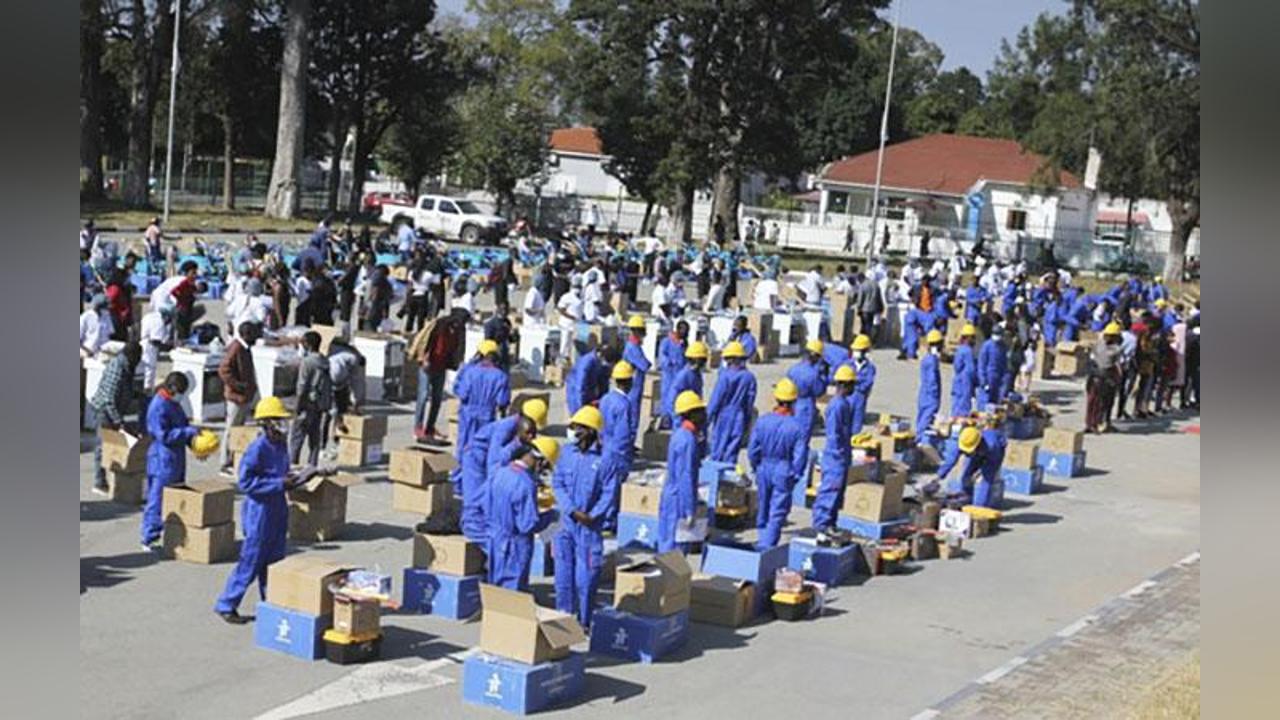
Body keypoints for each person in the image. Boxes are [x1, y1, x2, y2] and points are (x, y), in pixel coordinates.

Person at [213, 397, 295, 624]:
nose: (283, 425)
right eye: (278, 421)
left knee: (275, 560)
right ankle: (227, 603)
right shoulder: (257, 448)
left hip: (277, 508)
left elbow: (282, 472)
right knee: (251, 561)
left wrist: (295, 479)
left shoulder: (280, 444)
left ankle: (271, 601)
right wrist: (279, 484)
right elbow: (246, 483)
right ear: (266, 423)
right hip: (260, 511)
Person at [553, 407, 613, 628]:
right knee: (562, 577)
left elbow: (609, 492)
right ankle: (564, 619)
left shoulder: (605, 459)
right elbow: (557, 483)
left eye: (578, 427)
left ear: (590, 431)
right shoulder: (566, 453)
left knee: (586, 578)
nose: (573, 431)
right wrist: (571, 510)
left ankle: (584, 622)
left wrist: (593, 515)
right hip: (566, 525)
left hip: (589, 528)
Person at [460, 401, 545, 545]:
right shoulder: (504, 429)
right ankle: (474, 525)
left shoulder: (520, 429)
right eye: (530, 432)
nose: (533, 437)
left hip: (490, 458)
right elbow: (494, 464)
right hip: (476, 459)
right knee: (477, 498)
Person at [487, 438, 558, 591]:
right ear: (539, 461)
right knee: (513, 590)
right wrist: (551, 516)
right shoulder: (526, 484)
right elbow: (527, 525)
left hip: (496, 538)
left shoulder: (501, 472)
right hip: (516, 545)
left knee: (496, 588)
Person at [140, 372, 200, 550]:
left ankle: (173, 534)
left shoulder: (174, 404)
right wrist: (188, 433)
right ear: (172, 388)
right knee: (157, 499)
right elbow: (163, 435)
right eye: (181, 391)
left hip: (174, 457)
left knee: (176, 496)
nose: (182, 395)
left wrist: (194, 443)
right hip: (162, 459)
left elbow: (181, 426)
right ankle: (148, 536)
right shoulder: (159, 406)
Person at [748, 379, 809, 549]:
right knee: (777, 511)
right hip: (783, 468)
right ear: (794, 402)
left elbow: (753, 449)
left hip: (764, 467)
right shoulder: (796, 427)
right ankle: (767, 546)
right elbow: (800, 456)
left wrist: (755, 466)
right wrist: (796, 475)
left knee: (763, 506)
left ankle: (762, 538)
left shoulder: (763, 421)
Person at [86, 343, 144, 494]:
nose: (139, 360)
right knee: (102, 445)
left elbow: (125, 389)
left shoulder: (128, 366)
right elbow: (108, 399)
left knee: (113, 445)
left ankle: (114, 480)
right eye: (138, 357)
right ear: (132, 356)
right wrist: (118, 422)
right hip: (104, 411)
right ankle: (99, 482)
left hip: (114, 410)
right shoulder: (117, 368)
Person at [657, 391, 708, 554]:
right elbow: (686, 477)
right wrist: (689, 510)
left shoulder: (679, 434)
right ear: (691, 414)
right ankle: (671, 578)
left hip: (670, 494)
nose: (703, 415)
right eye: (699, 411)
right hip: (679, 498)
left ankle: (665, 575)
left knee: (666, 539)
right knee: (677, 547)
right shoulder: (688, 441)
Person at [410, 307, 467, 442]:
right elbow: (425, 340)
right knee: (423, 396)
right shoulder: (439, 325)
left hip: (441, 367)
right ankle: (418, 427)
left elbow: (459, 348)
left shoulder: (460, 331)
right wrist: (423, 357)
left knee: (437, 399)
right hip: (428, 364)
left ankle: (430, 428)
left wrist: (456, 362)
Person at [811, 365, 856, 536]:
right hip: (835, 456)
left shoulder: (843, 403)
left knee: (837, 494)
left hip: (841, 455)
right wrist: (839, 454)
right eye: (852, 384)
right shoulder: (837, 405)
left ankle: (830, 523)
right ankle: (821, 525)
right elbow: (833, 434)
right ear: (845, 385)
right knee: (830, 490)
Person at [454, 340, 511, 457]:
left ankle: (458, 472)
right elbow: (502, 401)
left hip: (467, 414)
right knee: (482, 447)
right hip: (487, 415)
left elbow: (462, 393)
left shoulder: (469, 372)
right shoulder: (501, 376)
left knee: (463, 445)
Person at [218, 322, 260, 475]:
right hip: (236, 397)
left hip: (244, 397)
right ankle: (224, 463)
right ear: (247, 335)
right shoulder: (236, 348)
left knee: (238, 430)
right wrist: (238, 385)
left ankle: (233, 459)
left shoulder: (245, 349)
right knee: (231, 429)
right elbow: (223, 369)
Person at [599, 362, 636, 530]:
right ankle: (608, 521)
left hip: (604, 447)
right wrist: (626, 456)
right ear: (629, 381)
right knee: (613, 489)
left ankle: (604, 517)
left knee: (604, 487)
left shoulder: (606, 399)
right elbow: (623, 435)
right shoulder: (624, 404)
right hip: (617, 453)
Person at [706, 341, 757, 463]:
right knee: (732, 448)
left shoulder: (724, 377)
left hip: (723, 415)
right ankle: (728, 474)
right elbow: (749, 401)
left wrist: (707, 419)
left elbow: (716, 399)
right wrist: (747, 418)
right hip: (739, 415)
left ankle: (714, 474)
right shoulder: (749, 377)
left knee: (718, 446)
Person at [937, 425, 1007, 509]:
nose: (966, 453)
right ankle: (966, 498)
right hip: (977, 449)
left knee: (985, 481)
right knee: (966, 475)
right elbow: (951, 459)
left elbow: (988, 472)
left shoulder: (992, 445)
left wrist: (976, 509)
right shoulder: (964, 439)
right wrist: (939, 476)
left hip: (994, 453)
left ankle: (978, 506)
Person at [290, 331, 333, 466]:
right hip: (319, 405)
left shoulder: (307, 362)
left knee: (297, 437)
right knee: (314, 437)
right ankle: (312, 465)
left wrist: (297, 407)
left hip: (307, 404)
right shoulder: (324, 360)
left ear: (307, 344)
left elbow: (302, 386)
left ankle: (293, 465)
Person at [1087, 322, 1123, 433]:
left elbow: (1092, 357)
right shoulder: (1116, 349)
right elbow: (1118, 364)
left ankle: (1091, 423)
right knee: (1103, 402)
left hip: (1094, 376)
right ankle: (1098, 423)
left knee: (1093, 401)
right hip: (1106, 377)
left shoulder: (1098, 344)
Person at [786, 340, 826, 437]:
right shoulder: (813, 374)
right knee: (802, 437)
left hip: (792, 403)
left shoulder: (793, 369)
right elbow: (819, 391)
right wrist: (824, 377)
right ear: (815, 356)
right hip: (806, 405)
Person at [622, 315, 652, 437]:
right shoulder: (632, 348)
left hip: (636, 385)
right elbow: (644, 364)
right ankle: (629, 441)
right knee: (632, 416)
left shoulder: (635, 346)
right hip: (633, 386)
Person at [657, 320, 690, 427]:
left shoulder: (684, 343)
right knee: (667, 397)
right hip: (669, 375)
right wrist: (669, 363)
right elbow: (662, 356)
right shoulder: (667, 341)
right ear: (678, 329)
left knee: (677, 398)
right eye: (684, 331)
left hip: (679, 376)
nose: (685, 334)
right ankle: (665, 418)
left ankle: (674, 419)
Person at [668, 341, 708, 427]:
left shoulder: (697, 375)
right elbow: (672, 399)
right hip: (683, 417)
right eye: (702, 359)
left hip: (692, 415)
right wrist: (677, 419)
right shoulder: (683, 376)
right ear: (695, 359)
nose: (703, 363)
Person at [565, 344, 609, 415]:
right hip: (576, 391)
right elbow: (580, 385)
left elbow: (603, 383)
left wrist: (602, 401)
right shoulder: (586, 362)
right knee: (579, 415)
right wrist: (580, 408)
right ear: (599, 353)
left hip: (589, 390)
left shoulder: (601, 363)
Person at [917, 330, 944, 438]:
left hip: (924, 394)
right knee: (926, 420)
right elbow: (932, 380)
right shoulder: (932, 360)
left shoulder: (927, 358)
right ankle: (920, 439)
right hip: (930, 396)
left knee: (922, 416)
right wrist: (935, 394)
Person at [138, 306, 172, 391]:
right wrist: (170, 346)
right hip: (150, 347)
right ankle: (147, 390)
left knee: (143, 368)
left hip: (142, 342)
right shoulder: (159, 322)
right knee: (150, 369)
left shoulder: (149, 316)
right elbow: (156, 341)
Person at [848, 334, 876, 435]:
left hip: (860, 398)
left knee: (856, 425)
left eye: (859, 350)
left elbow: (867, 383)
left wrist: (853, 380)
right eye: (855, 350)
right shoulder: (847, 364)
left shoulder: (870, 367)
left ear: (865, 351)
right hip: (847, 397)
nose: (856, 353)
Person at [977, 326, 1009, 408]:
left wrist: (1005, 381)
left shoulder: (1003, 347)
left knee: (995, 406)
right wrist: (983, 382)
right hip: (988, 378)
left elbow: (1004, 365)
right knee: (984, 405)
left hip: (998, 380)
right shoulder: (987, 346)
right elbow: (981, 365)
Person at [951, 323, 978, 416]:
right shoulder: (968, 351)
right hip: (965, 384)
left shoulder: (960, 350)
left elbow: (957, 366)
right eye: (973, 337)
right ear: (968, 338)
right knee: (963, 410)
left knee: (955, 407)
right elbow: (971, 370)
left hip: (957, 383)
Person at [856, 270, 884, 343]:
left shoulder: (863, 285)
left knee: (865, 325)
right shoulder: (876, 284)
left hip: (865, 309)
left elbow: (860, 298)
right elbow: (879, 297)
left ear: (860, 279)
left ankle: (865, 340)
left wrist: (858, 308)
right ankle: (871, 339)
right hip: (875, 308)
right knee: (871, 325)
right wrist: (881, 307)